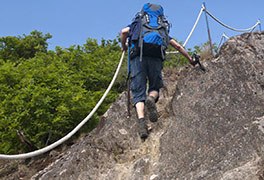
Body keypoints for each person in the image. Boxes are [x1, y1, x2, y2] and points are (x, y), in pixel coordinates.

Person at [120, 3, 196, 140]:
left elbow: (123, 32)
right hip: (156, 57)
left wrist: (123, 46)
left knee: (138, 92)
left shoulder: (138, 25)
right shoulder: (161, 29)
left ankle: (142, 124)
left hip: (138, 58)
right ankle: (151, 98)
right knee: (155, 86)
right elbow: (177, 46)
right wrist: (190, 59)